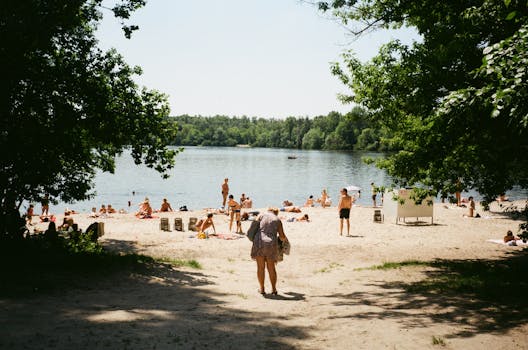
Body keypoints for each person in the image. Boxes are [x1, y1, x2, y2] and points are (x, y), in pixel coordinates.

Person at [251, 207, 289, 295]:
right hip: (271, 244)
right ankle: (274, 289)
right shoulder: (277, 220)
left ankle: (262, 289)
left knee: (260, 267)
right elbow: (282, 236)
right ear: (276, 213)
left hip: (259, 241)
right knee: (271, 268)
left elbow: (254, 225)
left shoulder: (261, 215)